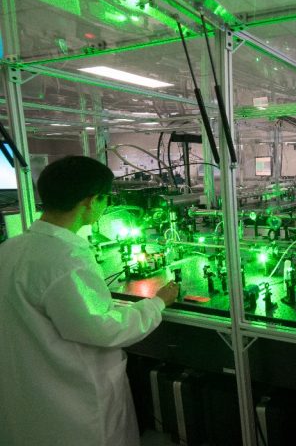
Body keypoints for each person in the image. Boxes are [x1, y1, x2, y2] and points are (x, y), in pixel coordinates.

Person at [0, 156, 179, 446]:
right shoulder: (66, 260)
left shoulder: (12, 247)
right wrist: (157, 303)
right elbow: (105, 328)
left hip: (27, 395)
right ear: (90, 201)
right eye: (105, 198)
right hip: (72, 405)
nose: (106, 205)